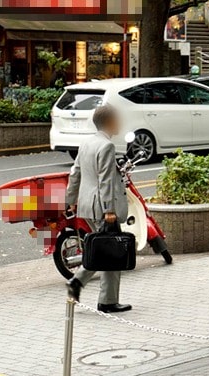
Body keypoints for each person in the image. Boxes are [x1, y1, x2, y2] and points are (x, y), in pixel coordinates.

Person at [65, 105, 132, 314]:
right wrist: (109, 209)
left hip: (87, 204)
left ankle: (77, 283)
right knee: (112, 251)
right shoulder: (106, 146)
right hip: (102, 207)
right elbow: (106, 181)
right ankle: (107, 301)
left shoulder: (87, 142)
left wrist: (71, 199)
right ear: (110, 122)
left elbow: (75, 173)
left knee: (102, 248)